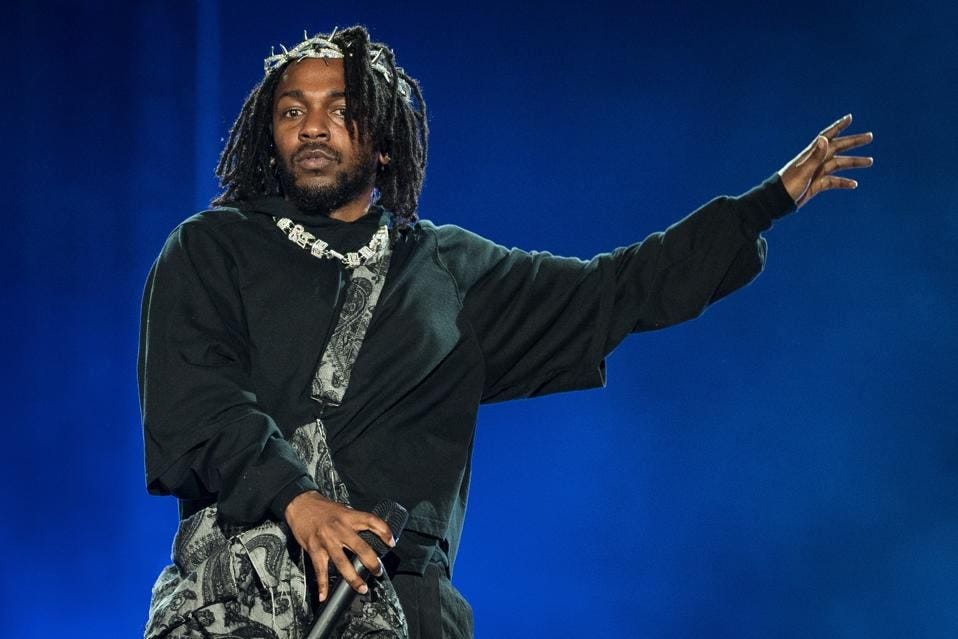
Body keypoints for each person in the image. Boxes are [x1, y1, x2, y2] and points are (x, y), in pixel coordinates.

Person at [138, 25, 873, 639]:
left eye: (340, 108)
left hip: (402, 603)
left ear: (384, 142)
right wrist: (298, 500)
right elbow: (196, 399)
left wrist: (763, 205)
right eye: (292, 111)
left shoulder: (447, 269)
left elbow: (613, 289)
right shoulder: (212, 246)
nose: (312, 126)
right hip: (242, 595)